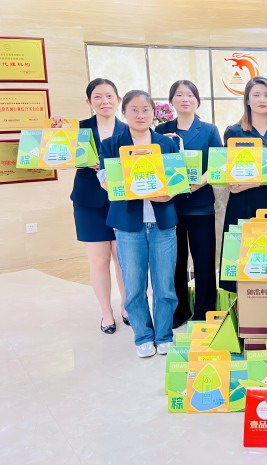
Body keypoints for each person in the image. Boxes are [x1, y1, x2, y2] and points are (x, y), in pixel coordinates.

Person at [98, 90, 180, 358]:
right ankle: (143, 336)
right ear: (124, 112)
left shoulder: (166, 144)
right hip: (128, 225)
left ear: (153, 113)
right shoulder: (112, 145)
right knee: (133, 286)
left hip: (162, 223)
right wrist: (125, 184)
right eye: (134, 109)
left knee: (165, 285)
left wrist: (169, 193)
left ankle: (164, 335)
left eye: (146, 109)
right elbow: (105, 180)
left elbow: (177, 179)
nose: (140, 115)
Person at [52, 78, 129, 335]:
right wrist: (55, 130)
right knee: (99, 260)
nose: (104, 101)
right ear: (89, 102)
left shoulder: (129, 130)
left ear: (118, 100)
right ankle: (106, 313)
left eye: (109, 96)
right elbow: (56, 154)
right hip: (88, 202)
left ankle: (127, 307)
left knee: (123, 259)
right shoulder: (78, 129)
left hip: (122, 201)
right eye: (97, 96)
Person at [156, 80, 222, 328]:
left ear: (197, 100)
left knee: (204, 261)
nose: (185, 99)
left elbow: (217, 165)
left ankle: (205, 311)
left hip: (200, 204)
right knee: (175, 262)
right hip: (169, 206)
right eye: (179, 95)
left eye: (190, 95)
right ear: (171, 100)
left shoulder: (209, 130)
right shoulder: (161, 130)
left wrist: (195, 186)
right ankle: (179, 310)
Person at [220, 77, 267, 294]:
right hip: (244, 203)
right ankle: (244, 307)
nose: (262, 100)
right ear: (247, 100)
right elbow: (228, 170)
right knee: (244, 258)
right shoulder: (234, 131)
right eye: (256, 95)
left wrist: (257, 181)